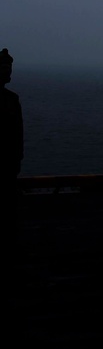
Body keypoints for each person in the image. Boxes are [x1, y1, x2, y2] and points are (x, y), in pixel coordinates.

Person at [1, 48, 23, 237]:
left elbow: (18, 133)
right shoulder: (10, 100)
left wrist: (17, 159)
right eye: (4, 68)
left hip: (8, 164)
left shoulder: (12, 99)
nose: (8, 72)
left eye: (9, 68)